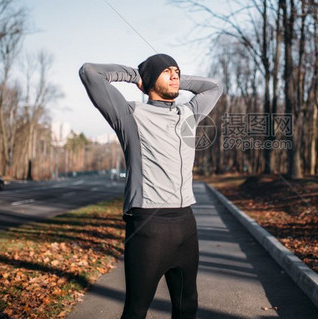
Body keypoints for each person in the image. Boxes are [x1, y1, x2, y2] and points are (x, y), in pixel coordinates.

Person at [79, 53, 223, 319]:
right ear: (148, 81)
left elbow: (215, 87)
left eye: (177, 71)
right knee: (136, 311)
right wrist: (138, 76)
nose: (175, 75)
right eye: (166, 71)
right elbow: (90, 72)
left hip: (185, 224)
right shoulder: (131, 115)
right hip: (149, 226)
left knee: (187, 306)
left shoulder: (189, 113)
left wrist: (173, 78)